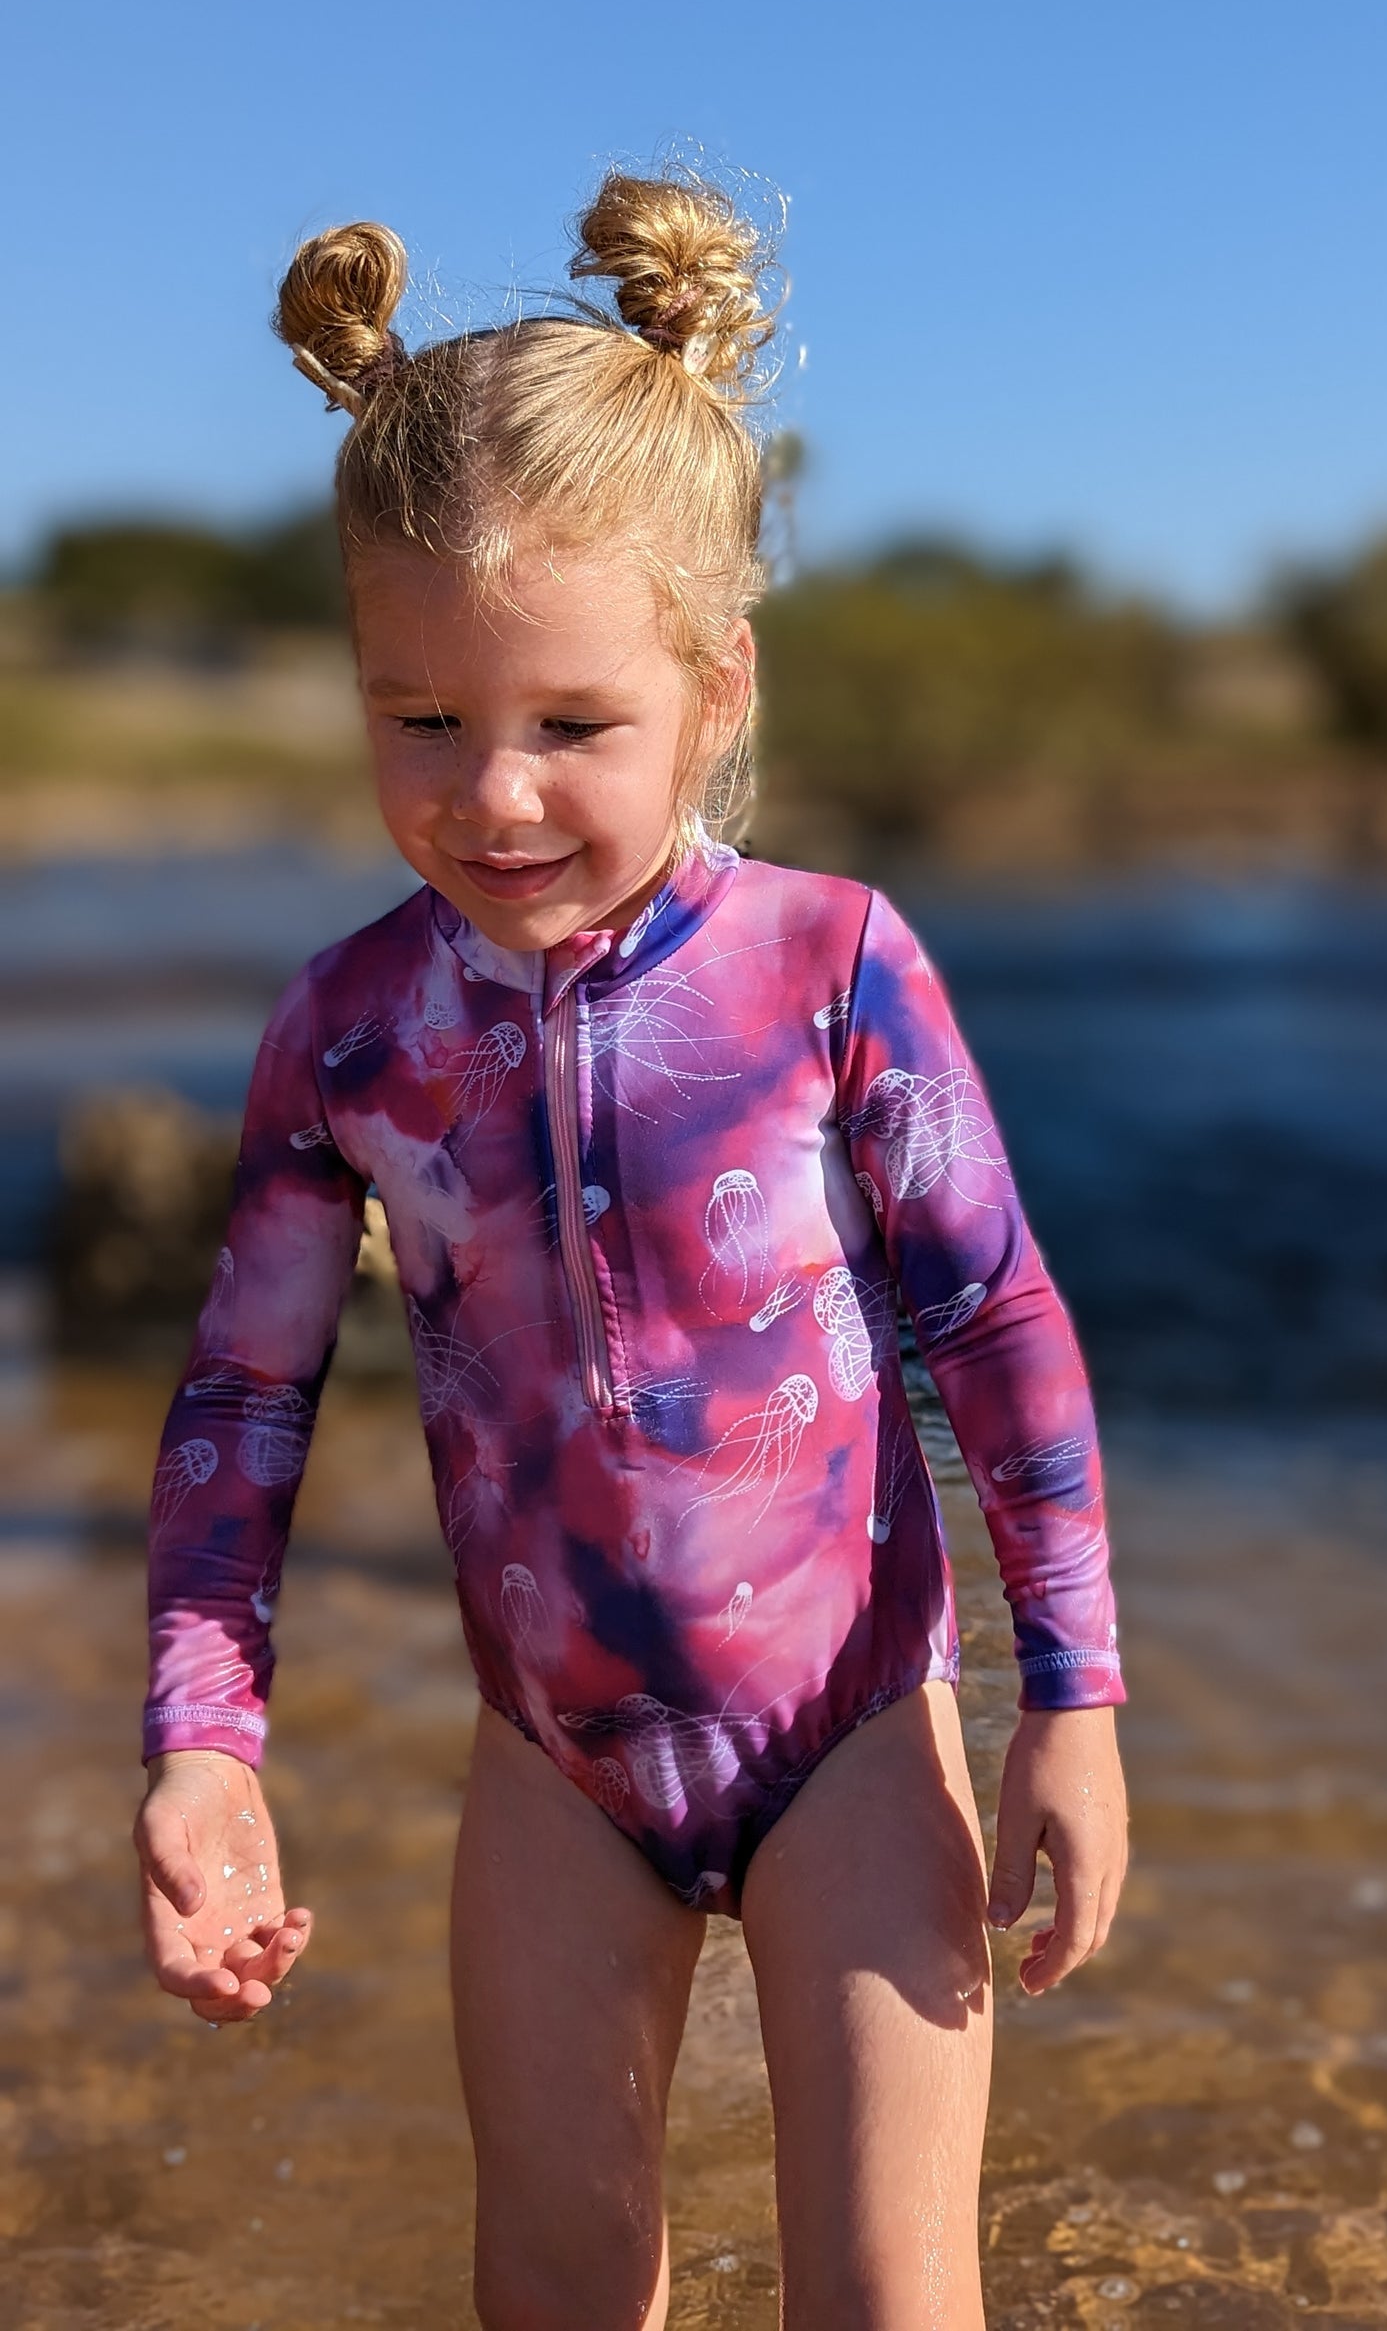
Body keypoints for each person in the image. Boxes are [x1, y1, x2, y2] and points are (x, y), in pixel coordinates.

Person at [133, 169, 1129, 2330]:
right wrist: (205, 1738)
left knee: (890, 2292)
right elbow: (242, 1403)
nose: (492, 795)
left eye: (570, 726)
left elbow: (999, 1327)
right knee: (558, 2286)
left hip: (850, 1729)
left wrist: (1075, 1694)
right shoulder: (352, 1030)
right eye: (423, 719)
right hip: (555, 1765)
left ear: (710, 680)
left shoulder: (830, 967)